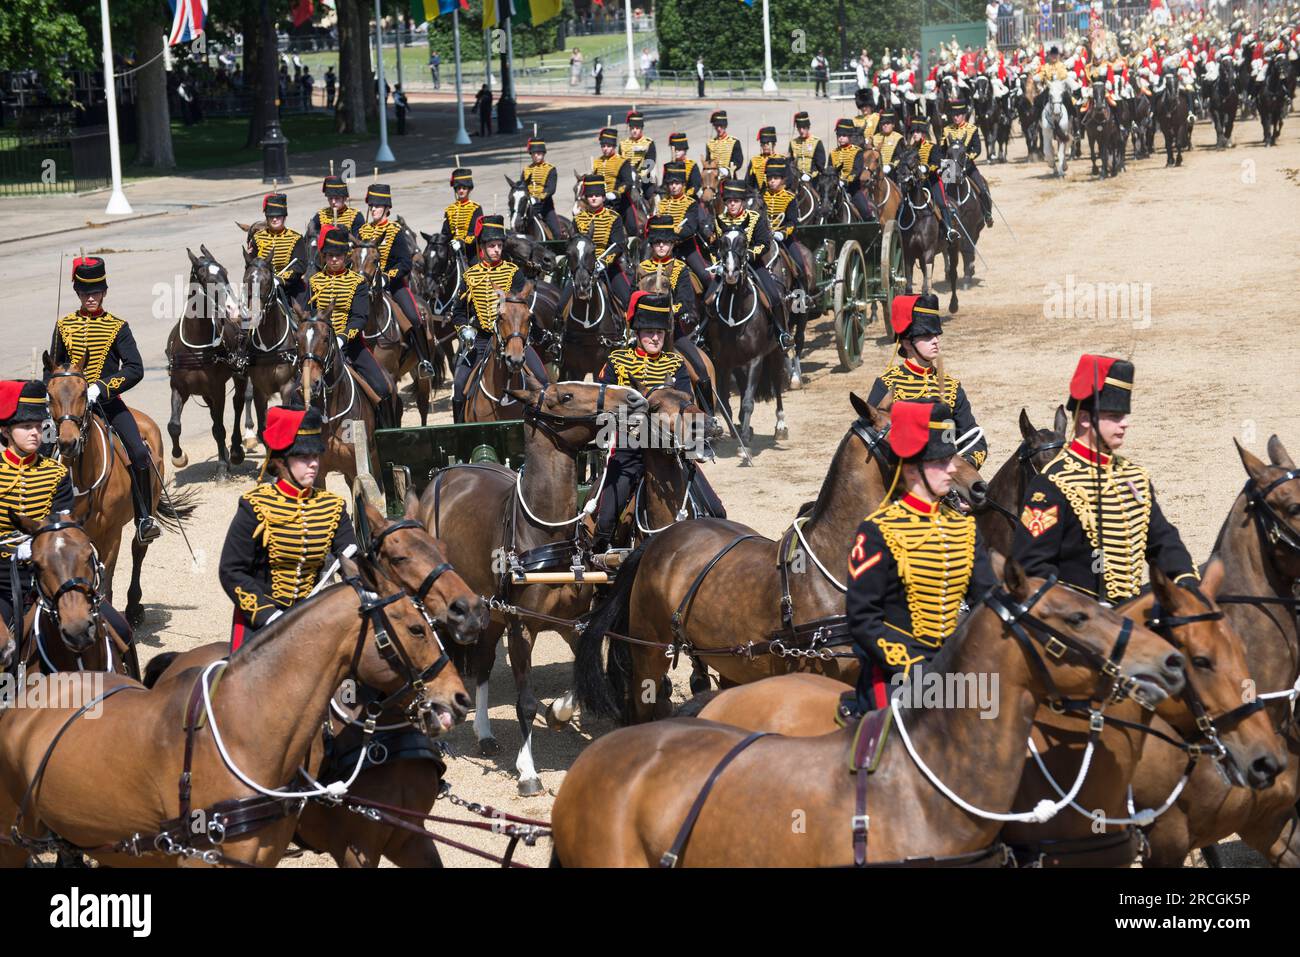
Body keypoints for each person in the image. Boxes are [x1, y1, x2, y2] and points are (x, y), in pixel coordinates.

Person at [844, 399, 996, 716]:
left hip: (953, 667)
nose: (952, 467)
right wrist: (914, 669)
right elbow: (863, 619)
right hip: (896, 676)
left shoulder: (965, 529)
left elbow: (988, 600)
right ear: (913, 470)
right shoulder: (877, 532)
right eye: (941, 462)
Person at [1012, 355, 1199, 606]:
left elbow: (1163, 542)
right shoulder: (1050, 486)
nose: (1125, 424)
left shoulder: (1134, 477)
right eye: (1114, 416)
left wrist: (1185, 581)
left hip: (1129, 616)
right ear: (1085, 418)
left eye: (1124, 416)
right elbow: (1031, 569)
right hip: (1077, 626)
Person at [219, 405, 358, 651]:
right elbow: (232, 570)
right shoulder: (256, 506)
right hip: (263, 620)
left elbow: (353, 560)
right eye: (304, 457)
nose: (313, 464)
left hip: (313, 617)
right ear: (282, 462)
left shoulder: (333, 507)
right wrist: (268, 616)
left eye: (315, 456)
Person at [593, 292, 721, 549]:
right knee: (605, 521)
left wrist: (696, 445)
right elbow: (604, 408)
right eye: (649, 331)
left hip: (673, 455)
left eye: (660, 333)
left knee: (717, 513)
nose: (655, 338)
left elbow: (687, 406)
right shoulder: (619, 361)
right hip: (630, 451)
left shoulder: (675, 364)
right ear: (637, 332)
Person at [48, 257, 160, 543]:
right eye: (85, 292)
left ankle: (145, 517)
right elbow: (54, 370)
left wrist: (102, 387)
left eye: (96, 291)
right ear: (77, 294)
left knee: (137, 452)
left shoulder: (117, 326)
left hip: (107, 404)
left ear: (104, 292)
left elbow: (135, 368)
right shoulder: (64, 326)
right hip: (70, 409)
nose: (91, 297)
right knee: (44, 452)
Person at [868, 293, 986, 467]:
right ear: (907, 343)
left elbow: (974, 439)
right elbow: (869, 440)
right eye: (927, 336)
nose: (936, 341)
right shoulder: (886, 384)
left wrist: (965, 465)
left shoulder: (951, 388)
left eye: (937, 335)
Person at [450, 216, 550, 422]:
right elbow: (459, 312)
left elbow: (521, 307)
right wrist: (463, 331)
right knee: (459, 385)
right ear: (483, 247)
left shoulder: (513, 272)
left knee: (541, 379)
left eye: (499, 245)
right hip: (481, 340)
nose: (496, 249)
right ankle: (460, 433)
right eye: (492, 245)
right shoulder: (471, 275)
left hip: (512, 338)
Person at [0, 380, 76, 631]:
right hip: (0, 581)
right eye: (25, 427)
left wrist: (33, 544)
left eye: (38, 426)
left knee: (110, 627)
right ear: (5, 431)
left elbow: (62, 525)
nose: (35, 433)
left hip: (44, 574)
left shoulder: (56, 473)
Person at [306, 229, 398, 428]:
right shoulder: (314, 282)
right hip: (320, 349)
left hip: (351, 347)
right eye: (330, 255)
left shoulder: (357, 283)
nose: (334, 259)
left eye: (338, 255)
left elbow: (359, 318)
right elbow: (309, 315)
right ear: (324, 256)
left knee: (383, 388)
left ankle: (385, 434)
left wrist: (342, 338)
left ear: (345, 256)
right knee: (295, 394)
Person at [357, 183, 434, 379]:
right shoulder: (363, 231)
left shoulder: (394, 231)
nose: (373, 209)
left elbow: (405, 263)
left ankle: (424, 361)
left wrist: (386, 277)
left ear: (387, 209)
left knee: (415, 318)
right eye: (371, 205)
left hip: (392, 286)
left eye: (378, 205)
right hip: (365, 287)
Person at [639, 215, 712, 407]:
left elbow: (685, 302)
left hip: (672, 330)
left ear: (672, 244)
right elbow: (633, 297)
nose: (661, 246)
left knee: (702, 371)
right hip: (642, 331)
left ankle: (709, 417)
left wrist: (667, 310)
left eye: (665, 242)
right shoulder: (642, 268)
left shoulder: (680, 269)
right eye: (657, 242)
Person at [712, 180, 793, 351]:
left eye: (735, 200)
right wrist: (717, 263)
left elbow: (764, 242)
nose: (731, 204)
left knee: (774, 296)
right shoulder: (719, 220)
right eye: (728, 201)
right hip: (726, 266)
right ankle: (703, 334)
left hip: (752, 265)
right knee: (707, 298)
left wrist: (749, 254)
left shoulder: (755, 218)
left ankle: (782, 333)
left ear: (742, 201)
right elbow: (715, 246)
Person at [565, 173, 632, 307]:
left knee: (627, 300)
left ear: (603, 196)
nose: (594, 198)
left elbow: (618, 245)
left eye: (597, 195)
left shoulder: (614, 217)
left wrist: (603, 262)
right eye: (590, 195)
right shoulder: (578, 219)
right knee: (561, 305)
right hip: (581, 268)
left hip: (607, 267)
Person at [760, 157, 813, 315]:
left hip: (784, 240)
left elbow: (792, 222)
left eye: (775, 178)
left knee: (799, 266)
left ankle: (801, 301)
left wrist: (783, 234)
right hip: (764, 240)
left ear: (783, 180)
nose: (772, 182)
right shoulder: (762, 197)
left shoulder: (789, 198)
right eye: (769, 178)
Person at [940, 93, 994, 228]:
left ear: (964, 115)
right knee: (942, 193)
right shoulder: (946, 130)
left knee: (982, 189)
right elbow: (942, 150)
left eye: (958, 114)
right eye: (953, 114)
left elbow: (977, 148)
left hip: (967, 167)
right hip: (951, 168)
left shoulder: (972, 129)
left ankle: (987, 214)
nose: (955, 117)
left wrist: (967, 158)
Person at [246, 192, 308, 307]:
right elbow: (251, 267)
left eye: (278, 216)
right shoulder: (257, 238)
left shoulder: (295, 238)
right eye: (271, 216)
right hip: (262, 287)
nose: (274, 219)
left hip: (290, 287)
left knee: (302, 316)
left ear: (284, 217)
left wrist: (280, 280)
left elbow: (300, 265)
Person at [656, 162, 712, 288]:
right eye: (670, 184)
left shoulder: (691, 203)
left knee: (705, 276)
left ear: (683, 184)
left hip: (685, 247)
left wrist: (671, 235)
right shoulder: (662, 204)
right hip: (661, 248)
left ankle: (711, 305)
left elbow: (689, 228)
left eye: (676, 183)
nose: (673, 187)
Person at [903, 115, 958, 240]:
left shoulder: (932, 147)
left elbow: (936, 163)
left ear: (923, 134)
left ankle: (949, 229)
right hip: (914, 183)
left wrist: (926, 168)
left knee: (941, 203)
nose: (914, 135)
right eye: (913, 132)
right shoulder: (910, 149)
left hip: (930, 181)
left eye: (917, 132)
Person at [306, 175, 364, 270]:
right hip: (324, 262)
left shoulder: (356, 216)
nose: (333, 202)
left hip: (348, 263)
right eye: (330, 198)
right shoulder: (321, 215)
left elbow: (358, 244)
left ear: (344, 198)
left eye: (337, 198)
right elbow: (309, 241)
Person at [593, 126, 639, 239]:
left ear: (614, 146)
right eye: (603, 146)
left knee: (632, 227)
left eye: (608, 146)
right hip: (601, 202)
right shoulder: (597, 162)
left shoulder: (622, 162)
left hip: (620, 202)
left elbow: (628, 182)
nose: (605, 149)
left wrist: (616, 193)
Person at [829, 118, 872, 220]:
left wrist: (845, 181)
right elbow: (830, 170)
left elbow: (857, 170)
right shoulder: (833, 153)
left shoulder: (857, 151)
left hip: (852, 189)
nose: (841, 138)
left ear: (850, 136)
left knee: (865, 211)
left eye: (844, 136)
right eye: (839, 136)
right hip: (835, 189)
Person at [441, 167, 483, 263]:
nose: (461, 191)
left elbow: (476, 233)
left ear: (469, 189)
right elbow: (445, 232)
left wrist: (462, 243)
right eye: (459, 188)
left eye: (464, 188)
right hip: (452, 250)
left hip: (470, 251)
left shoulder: (475, 208)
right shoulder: (449, 209)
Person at [521, 137, 561, 237]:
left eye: (539, 153)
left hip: (545, 206)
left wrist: (539, 197)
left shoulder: (550, 169)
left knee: (556, 231)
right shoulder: (526, 170)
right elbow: (522, 187)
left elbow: (551, 189)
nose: (536, 156)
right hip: (529, 206)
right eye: (534, 153)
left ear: (543, 154)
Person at [619, 110, 657, 202]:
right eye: (632, 128)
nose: (634, 131)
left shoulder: (648, 143)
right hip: (627, 178)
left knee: (651, 195)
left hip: (643, 177)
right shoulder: (623, 144)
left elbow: (650, 162)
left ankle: (653, 214)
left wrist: (638, 176)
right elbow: (619, 163)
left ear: (641, 128)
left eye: (637, 128)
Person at [788, 110, 827, 178]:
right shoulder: (793, 143)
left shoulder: (816, 142)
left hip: (813, 177)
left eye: (803, 128)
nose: (801, 131)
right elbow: (790, 162)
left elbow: (820, 163)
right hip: (797, 178)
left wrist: (810, 175)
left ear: (808, 127)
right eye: (799, 128)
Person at [705, 109, 743, 178]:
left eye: (721, 126)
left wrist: (726, 170)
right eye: (716, 126)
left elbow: (738, 161)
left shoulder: (734, 142)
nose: (719, 129)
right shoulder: (710, 144)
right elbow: (708, 161)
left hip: (729, 177)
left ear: (725, 126)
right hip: (713, 178)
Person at [666, 131, 702, 196]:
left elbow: (696, 184)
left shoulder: (692, 165)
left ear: (685, 150)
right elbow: (665, 185)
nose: (676, 152)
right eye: (675, 150)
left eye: (679, 150)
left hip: (688, 198)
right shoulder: (669, 166)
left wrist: (685, 196)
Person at [746, 126, 778, 190]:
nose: (765, 145)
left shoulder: (781, 160)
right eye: (763, 143)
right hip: (759, 195)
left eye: (768, 143)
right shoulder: (754, 161)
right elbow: (748, 182)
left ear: (774, 144)